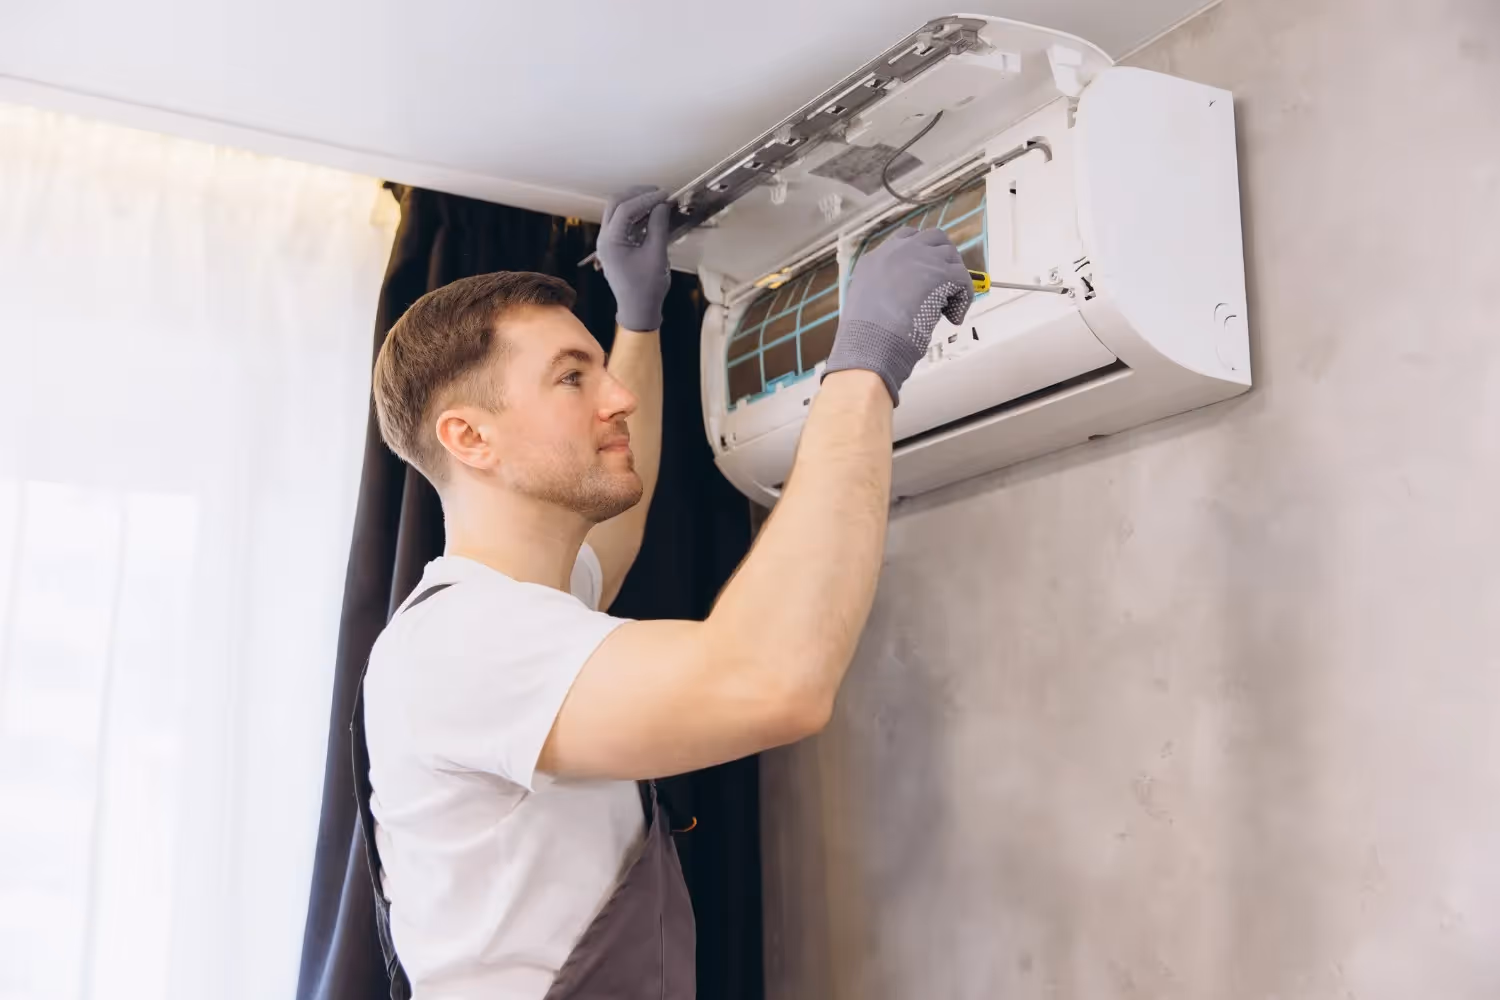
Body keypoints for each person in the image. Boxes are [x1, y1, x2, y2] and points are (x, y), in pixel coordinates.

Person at [359, 184, 974, 1000]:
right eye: (573, 379)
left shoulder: (507, 611)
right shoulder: (467, 643)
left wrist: (638, 323)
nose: (618, 396)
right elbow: (770, 680)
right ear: (470, 437)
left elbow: (615, 535)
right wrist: (862, 363)